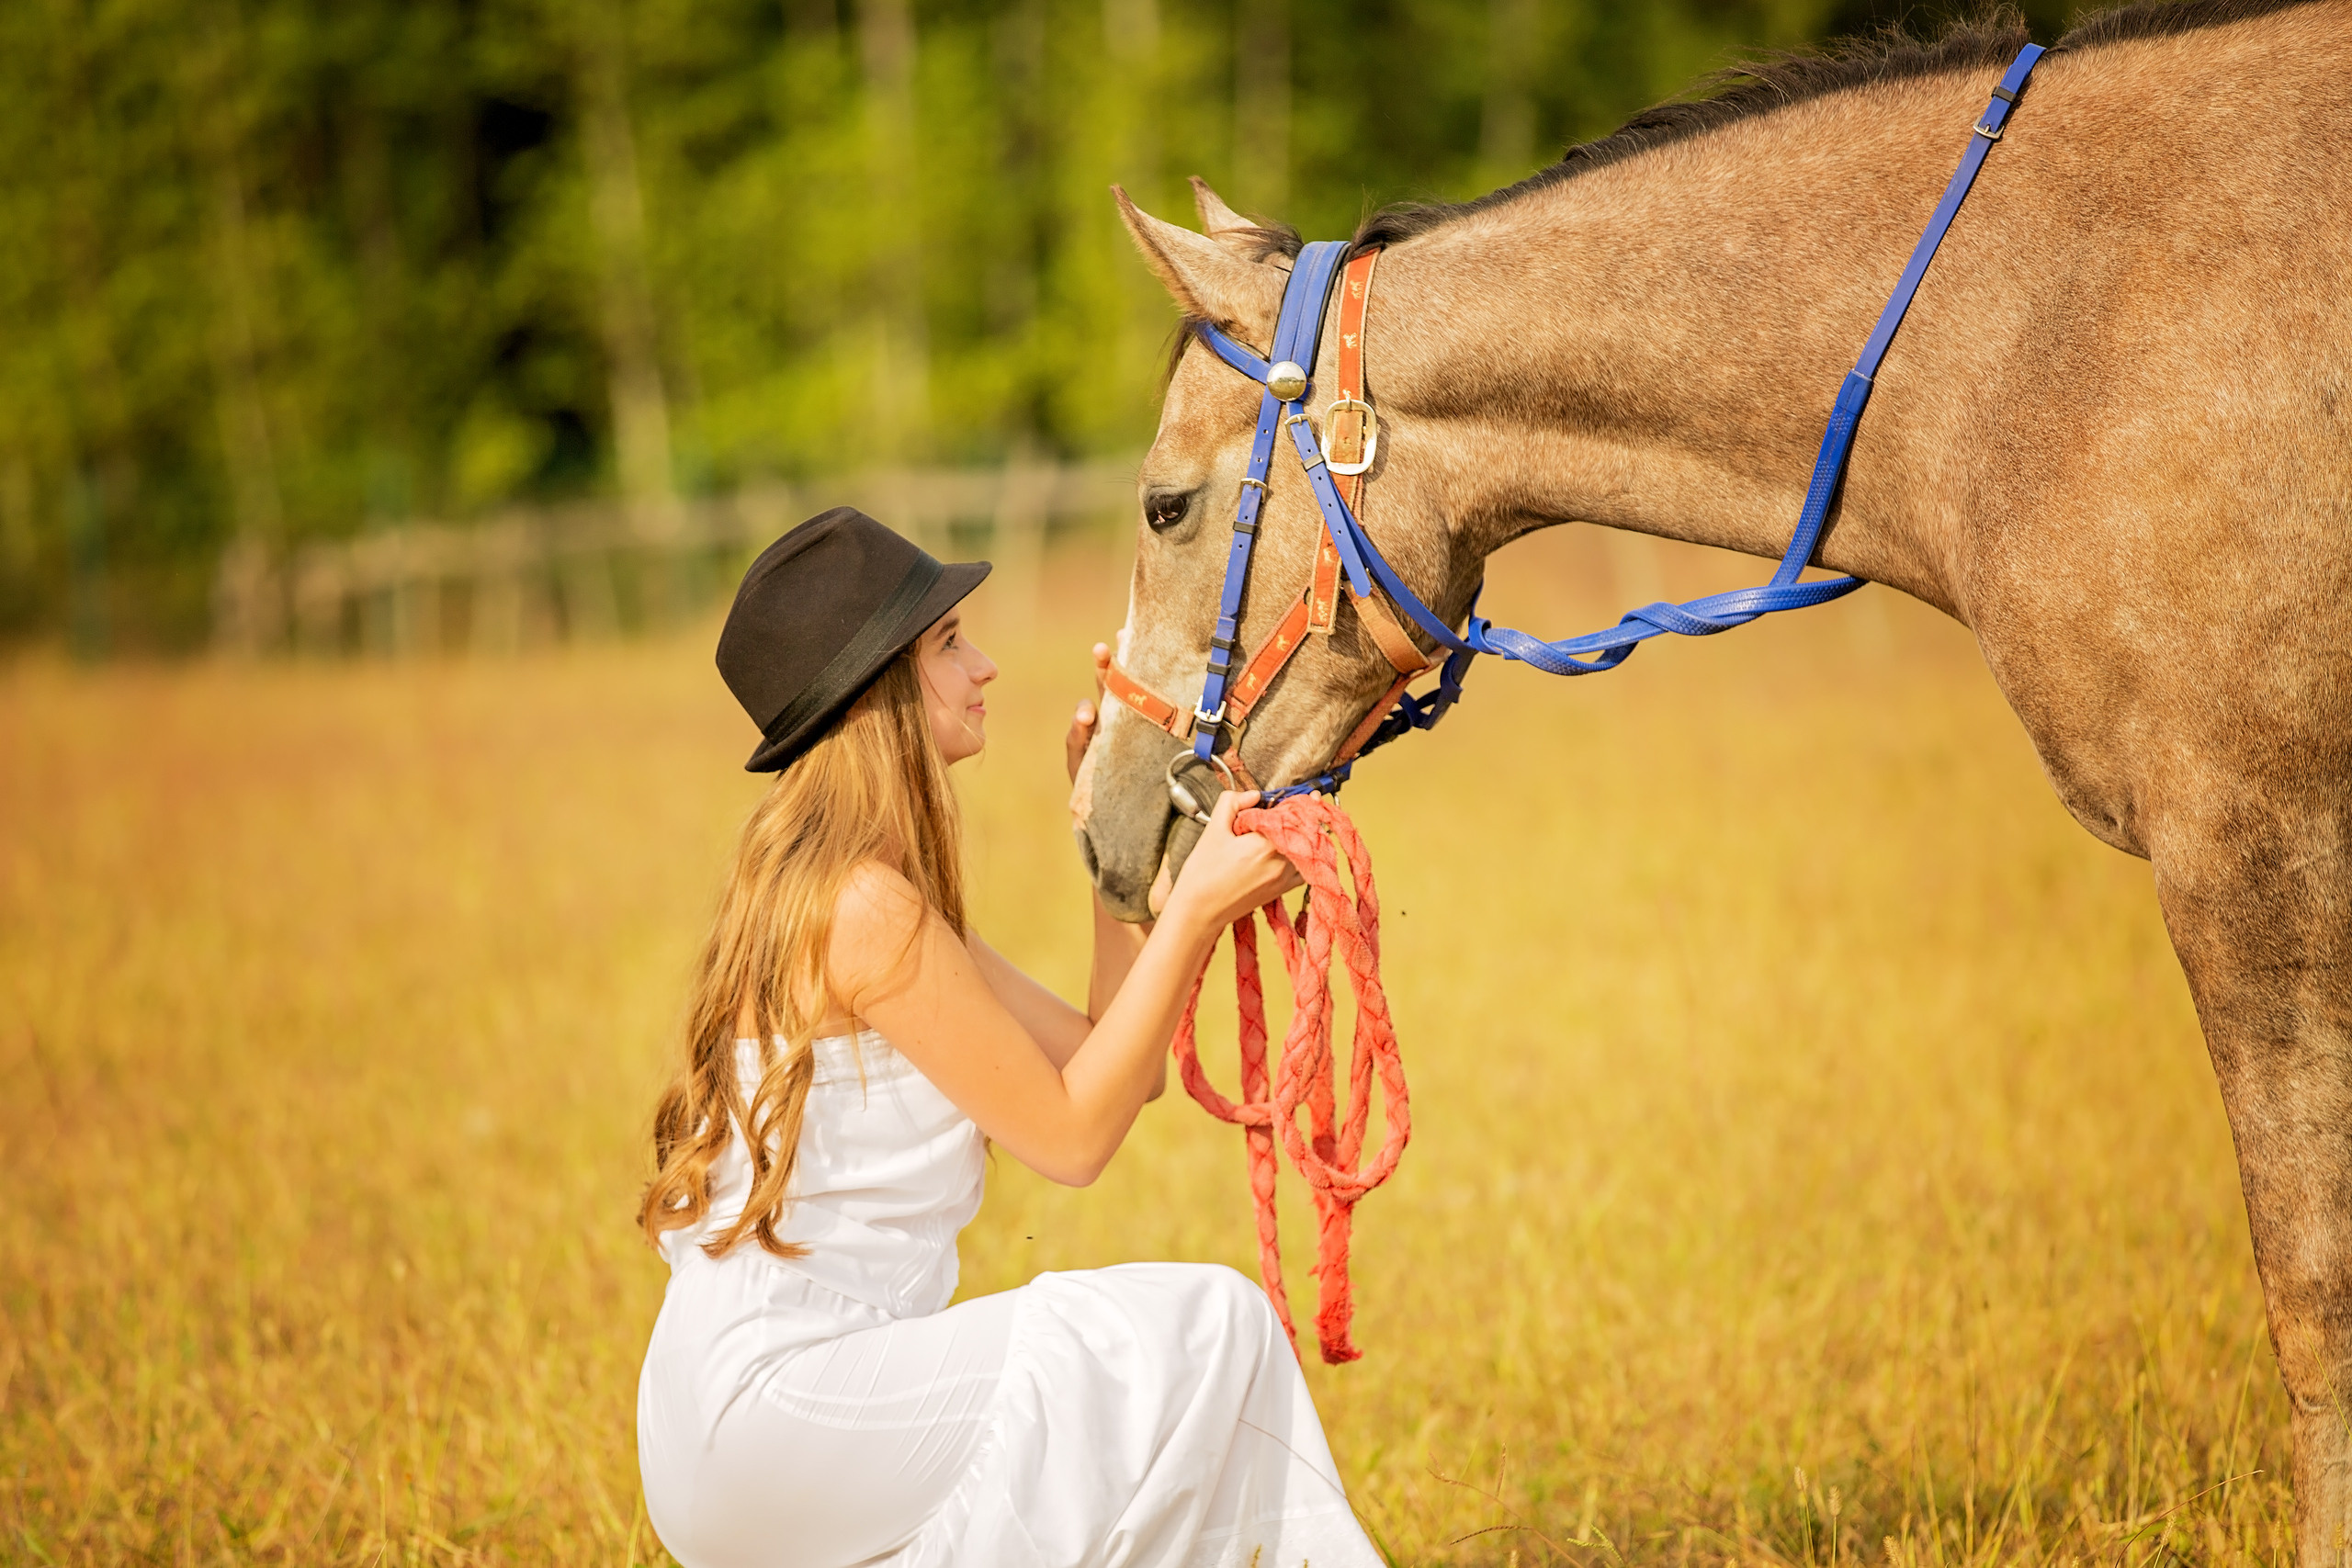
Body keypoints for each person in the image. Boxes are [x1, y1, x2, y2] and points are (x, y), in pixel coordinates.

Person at [635, 507, 1384, 1568]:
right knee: (1207, 1327)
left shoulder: (861, 895)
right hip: (779, 1406)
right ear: (878, 689)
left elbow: (1104, 1063)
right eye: (946, 644)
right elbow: (1074, 1143)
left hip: (748, 1411)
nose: (983, 667)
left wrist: (1106, 846)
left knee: (1165, 1353)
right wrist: (1197, 911)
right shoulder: (863, 912)